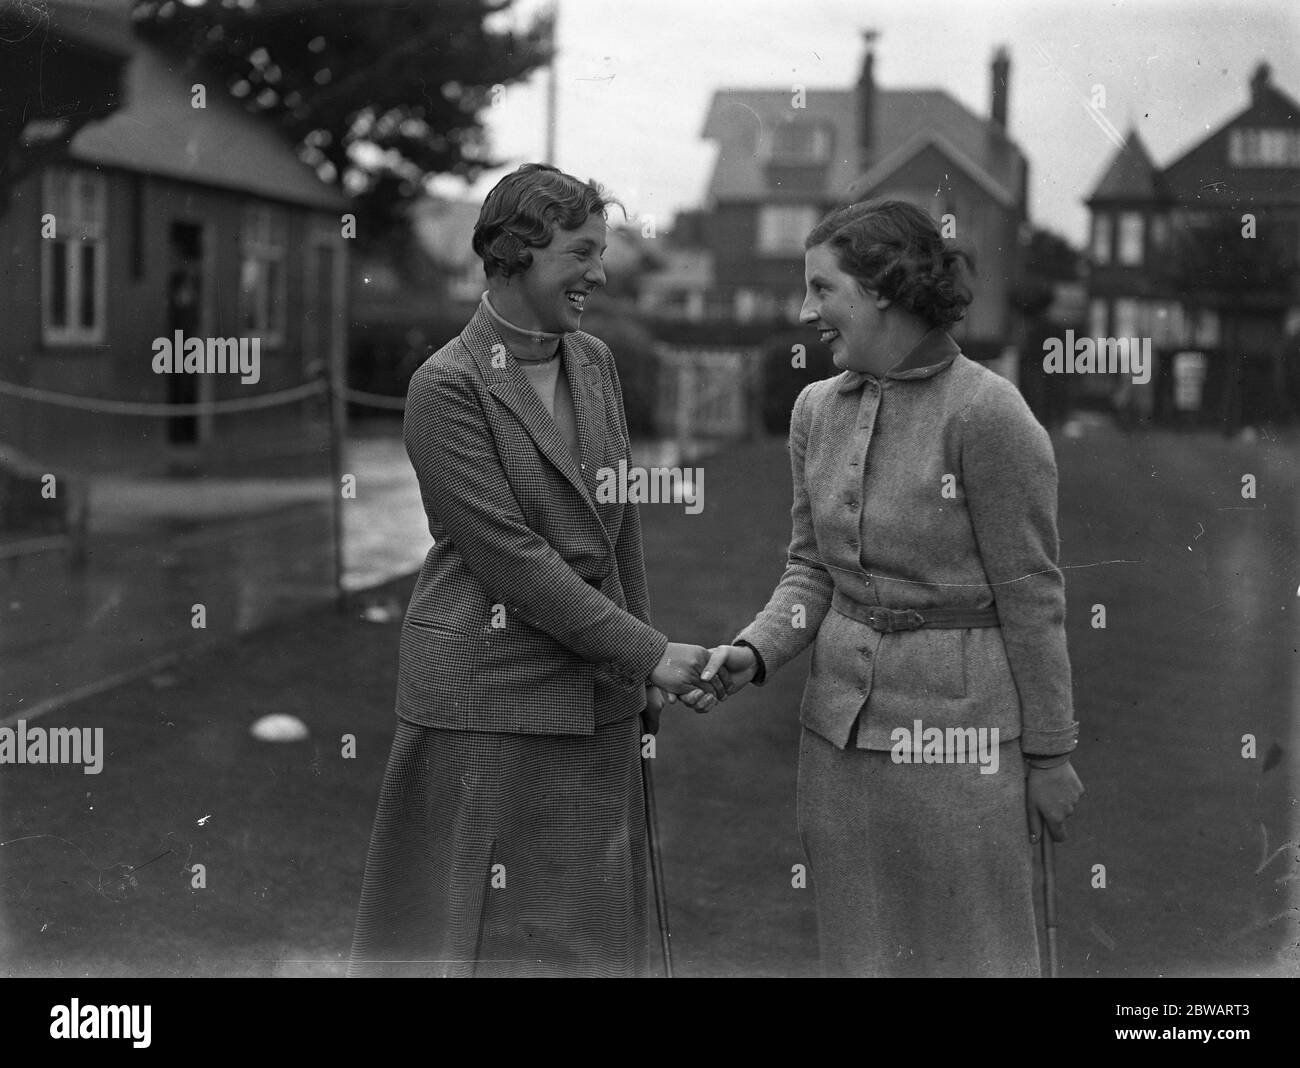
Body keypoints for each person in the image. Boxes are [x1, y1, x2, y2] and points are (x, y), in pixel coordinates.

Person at [691, 199, 1084, 977]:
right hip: (837, 746)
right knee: (861, 959)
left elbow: (1033, 596)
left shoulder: (989, 412)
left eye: (821, 288)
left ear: (881, 288)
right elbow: (810, 568)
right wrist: (755, 650)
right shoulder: (816, 410)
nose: (806, 311)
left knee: (974, 955)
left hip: (962, 746)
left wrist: (1049, 756)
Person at [348, 163, 723, 978]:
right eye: (580, 252)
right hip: (483, 702)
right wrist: (647, 651)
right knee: (475, 946)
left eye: (601, 252)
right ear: (515, 251)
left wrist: (638, 667)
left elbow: (618, 532)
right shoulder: (444, 387)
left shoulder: (594, 363)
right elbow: (510, 560)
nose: (598, 271)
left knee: (582, 944)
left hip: (597, 701)